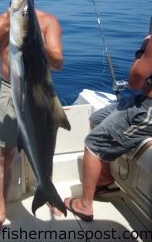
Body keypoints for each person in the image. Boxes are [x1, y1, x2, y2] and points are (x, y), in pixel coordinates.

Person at [0, 0, 64, 238]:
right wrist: (9, 26)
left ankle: (48, 191)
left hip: (41, 90)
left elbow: (58, 63)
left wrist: (39, 45)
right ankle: (2, 210)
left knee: (44, 146)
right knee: (5, 154)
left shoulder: (48, 21)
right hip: (10, 89)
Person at [64, 34, 152, 221]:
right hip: (140, 99)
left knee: (93, 143)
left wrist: (142, 51)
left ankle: (85, 205)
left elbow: (135, 80)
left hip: (147, 110)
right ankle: (104, 180)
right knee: (96, 119)